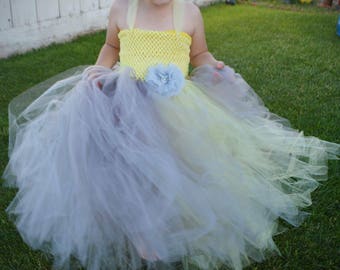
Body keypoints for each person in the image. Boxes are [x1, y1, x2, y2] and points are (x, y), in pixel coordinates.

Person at [2, 0, 339, 270]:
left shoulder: (189, 12)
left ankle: (168, 217)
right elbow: (110, 46)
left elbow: (198, 55)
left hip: (175, 107)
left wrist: (212, 65)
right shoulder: (123, 9)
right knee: (127, 166)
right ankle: (138, 226)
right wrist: (102, 69)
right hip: (125, 103)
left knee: (172, 163)